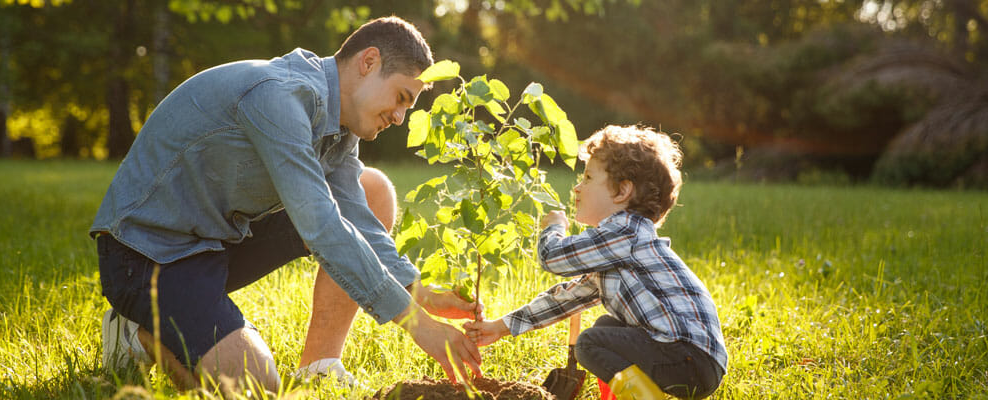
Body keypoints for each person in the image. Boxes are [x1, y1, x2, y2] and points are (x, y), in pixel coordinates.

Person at [91, 16, 482, 392]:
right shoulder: (279, 96)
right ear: (369, 62)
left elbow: (357, 218)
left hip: (213, 241)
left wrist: (418, 291)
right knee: (256, 386)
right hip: (146, 255)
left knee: (371, 190)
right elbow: (322, 225)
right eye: (401, 98)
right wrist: (418, 324)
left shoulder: (339, 127)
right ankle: (137, 334)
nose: (399, 117)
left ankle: (320, 367)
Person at [464, 125, 728, 399]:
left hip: (687, 355)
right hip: (693, 360)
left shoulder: (625, 232)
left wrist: (553, 228)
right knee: (605, 328)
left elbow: (552, 257)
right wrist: (499, 327)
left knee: (589, 343)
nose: (577, 187)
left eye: (588, 177)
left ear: (622, 191)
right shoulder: (619, 248)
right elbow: (564, 300)